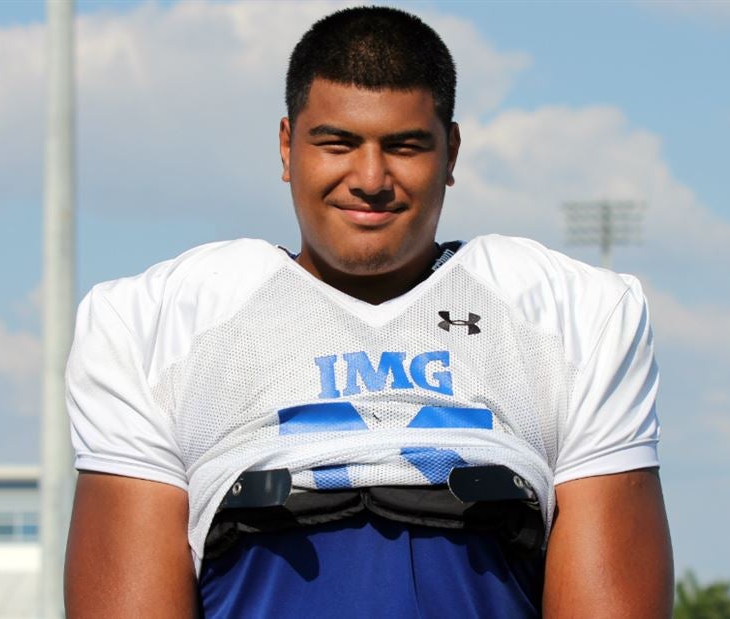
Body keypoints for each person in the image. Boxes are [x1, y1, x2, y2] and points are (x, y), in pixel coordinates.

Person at [64, 6, 672, 618]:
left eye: (405, 146)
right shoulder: (154, 321)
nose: (371, 178)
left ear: (451, 152)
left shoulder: (574, 313)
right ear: (287, 145)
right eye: (338, 143)